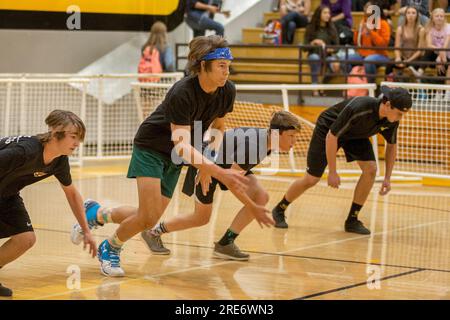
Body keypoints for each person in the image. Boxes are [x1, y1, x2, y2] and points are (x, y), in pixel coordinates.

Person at [71, 35, 273, 277]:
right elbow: (181, 145)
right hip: (152, 148)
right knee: (146, 217)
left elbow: (219, 127)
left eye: (228, 66)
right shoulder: (182, 92)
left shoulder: (226, 90)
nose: (226, 72)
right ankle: (110, 247)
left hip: (179, 155)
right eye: (221, 66)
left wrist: (208, 161)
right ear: (202, 65)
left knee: (150, 216)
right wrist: (215, 170)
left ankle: (95, 213)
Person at [140, 111, 298, 260]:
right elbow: (234, 184)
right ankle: (154, 232)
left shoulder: (266, 139)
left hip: (223, 166)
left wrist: (253, 206)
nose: (294, 141)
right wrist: (252, 208)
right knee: (201, 218)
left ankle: (226, 243)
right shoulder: (255, 146)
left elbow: (234, 174)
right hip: (205, 168)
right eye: (291, 136)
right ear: (277, 134)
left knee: (261, 196)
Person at [271, 86, 412, 235]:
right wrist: (332, 171)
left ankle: (352, 219)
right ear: (388, 105)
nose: (400, 118)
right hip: (329, 130)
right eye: (399, 114)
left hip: (355, 135)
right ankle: (279, 209)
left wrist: (387, 178)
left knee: (371, 169)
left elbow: (391, 146)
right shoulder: (360, 108)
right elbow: (332, 137)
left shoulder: (391, 120)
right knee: (312, 179)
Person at [0, 110, 97, 297]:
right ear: (55, 133)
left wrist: (86, 231)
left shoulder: (59, 161)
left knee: (25, 239)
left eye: (79, 138)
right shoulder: (24, 152)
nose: (77, 143)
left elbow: (72, 194)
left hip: (8, 195)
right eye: (73, 137)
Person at [347, 1, 391, 83]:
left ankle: (371, 86)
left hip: (380, 55)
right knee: (345, 59)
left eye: (368, 7)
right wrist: (357, 31)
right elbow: (357, 43)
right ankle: (352, 85)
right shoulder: (363, 22)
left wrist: (370, 32)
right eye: (365, 7)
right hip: (363, 54)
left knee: (368, 60)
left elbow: (383, 45)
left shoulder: (383, 24)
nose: (365, 9)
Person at [304, 5, 340, 96]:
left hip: (327, 55)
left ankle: (322, 83)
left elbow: (337, 47)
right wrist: (313, 42)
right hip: (314, 54)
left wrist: (329, 49)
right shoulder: (310, 28)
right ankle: (315, 87)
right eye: (325, 13)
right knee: (314, 58)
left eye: (328, 13)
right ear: (318, 14)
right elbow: (304, 47)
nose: (328, 15)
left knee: (334, 64)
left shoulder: (332, 28)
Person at [387, 6, 425, 80]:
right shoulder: (400, 28)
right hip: (403, 56)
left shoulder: (421, 29)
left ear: (417, 15)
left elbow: (419, 51)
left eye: (413, 13)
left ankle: (409, 88)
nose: (411, 15)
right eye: (408, 13)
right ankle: (386, 87)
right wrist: (398, 58)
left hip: (415, 58)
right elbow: (397, 47)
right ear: (405, 15)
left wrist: (408, 61)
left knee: (411, 67)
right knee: (389, 63)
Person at [422, 8, 450, 85]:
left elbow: (445, 46)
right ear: (433, 18)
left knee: (442, 67)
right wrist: (439, 57)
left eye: (441, 16)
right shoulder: (430, 29)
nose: (439, 18)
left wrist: (439, 58)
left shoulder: (448, 27)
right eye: (437, 16)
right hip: (437, 54)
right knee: (428, 51)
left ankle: (441, 92)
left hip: (447, 55)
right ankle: (420, 71)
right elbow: (429, 45)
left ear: (444, 18)